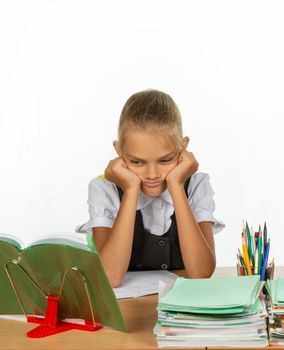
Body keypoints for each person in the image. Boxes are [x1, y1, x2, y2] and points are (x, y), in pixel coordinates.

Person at [77, 89, 223, 287]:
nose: (152, 174)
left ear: (183, 147)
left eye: (165, 160)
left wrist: (176, 185)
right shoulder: (104, 189)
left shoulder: (196, 185)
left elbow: (201, 273)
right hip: (126, 310)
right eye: (137, 162)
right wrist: (130, 189)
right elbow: (109, 278)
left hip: (180, 311)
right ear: (119, 151)